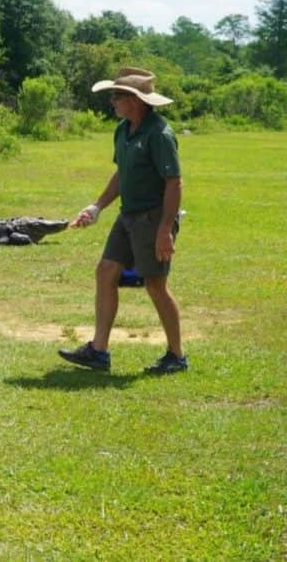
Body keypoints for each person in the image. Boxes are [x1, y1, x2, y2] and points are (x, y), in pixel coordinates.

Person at [58, 67, 187, 374]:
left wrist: (165, 230)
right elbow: (122, 175)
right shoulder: (123, 130)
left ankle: (177, 355)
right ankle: (98, 351)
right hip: (127, 216)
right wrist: (97, 206)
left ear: (136, 100)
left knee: (155, 285)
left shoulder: (159, 134)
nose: (112, 101)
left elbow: (174, 183)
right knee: (105, 272)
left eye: (117, 96)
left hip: (152, 219)